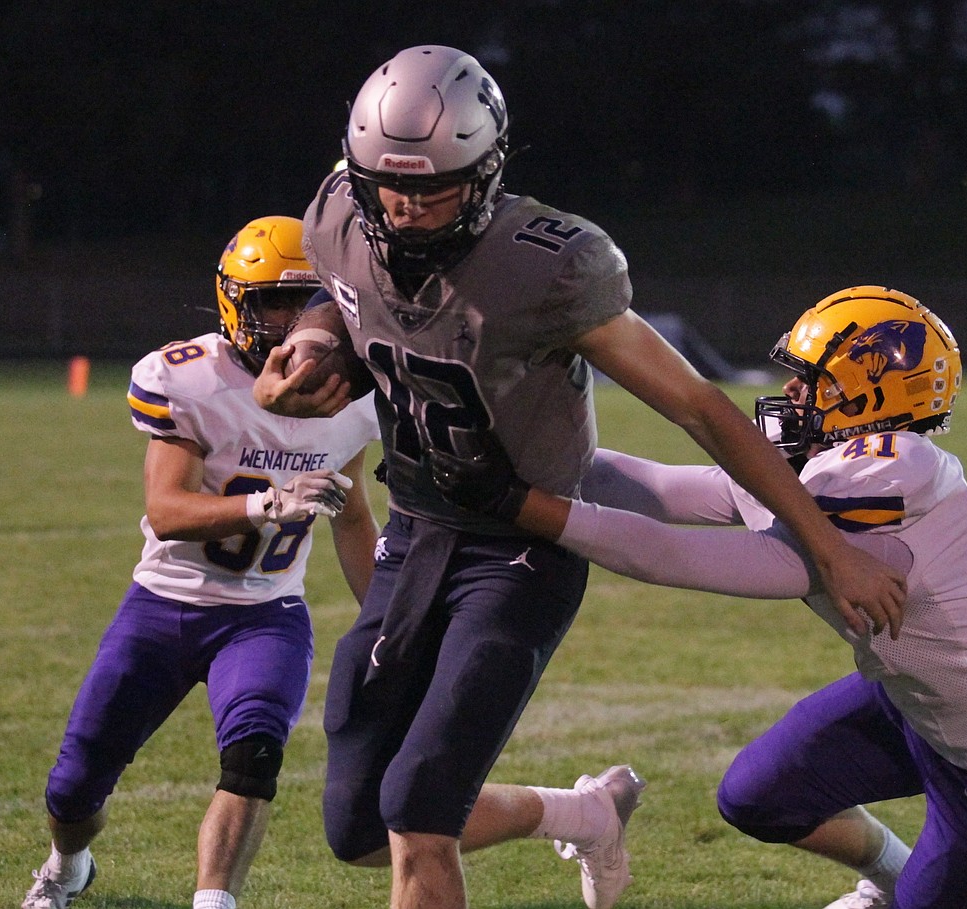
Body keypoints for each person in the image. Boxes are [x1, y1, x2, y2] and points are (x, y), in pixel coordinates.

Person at [252, 45, 906, 909]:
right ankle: (583, 811)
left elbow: (701, 408)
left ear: (486, 171)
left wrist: (828, 546)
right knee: (358, 828)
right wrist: (313, 342)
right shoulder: (341, 205)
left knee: (417, 806)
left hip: (520, 550)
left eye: (435, 188)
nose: (408, 211)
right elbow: (340, 287)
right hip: (415, 532)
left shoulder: (547, 263)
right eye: (390, 188)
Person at [427, 286, 967, 909]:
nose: (793, 391)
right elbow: (669, 488)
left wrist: (516, 502)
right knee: (757, 797)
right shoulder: (838, 460)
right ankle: (891, 875)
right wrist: (527, 457)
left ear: (870, 395)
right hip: (916, 701)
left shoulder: (891, 480)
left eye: (815, 380)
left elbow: (669, 553)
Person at [21, 216, 381, 909]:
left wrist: (385, 625)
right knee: (72, 788)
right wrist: (266, 504)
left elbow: (356, 516)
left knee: (253, 760)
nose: (290, 323)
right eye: (273, 302)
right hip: (164, 604)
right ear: (234, 302)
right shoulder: (189, 378)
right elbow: (166, 509)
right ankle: (69, 864)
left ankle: (216, 901)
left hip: (264, 614)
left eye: (306, 302)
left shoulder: (350, 394)